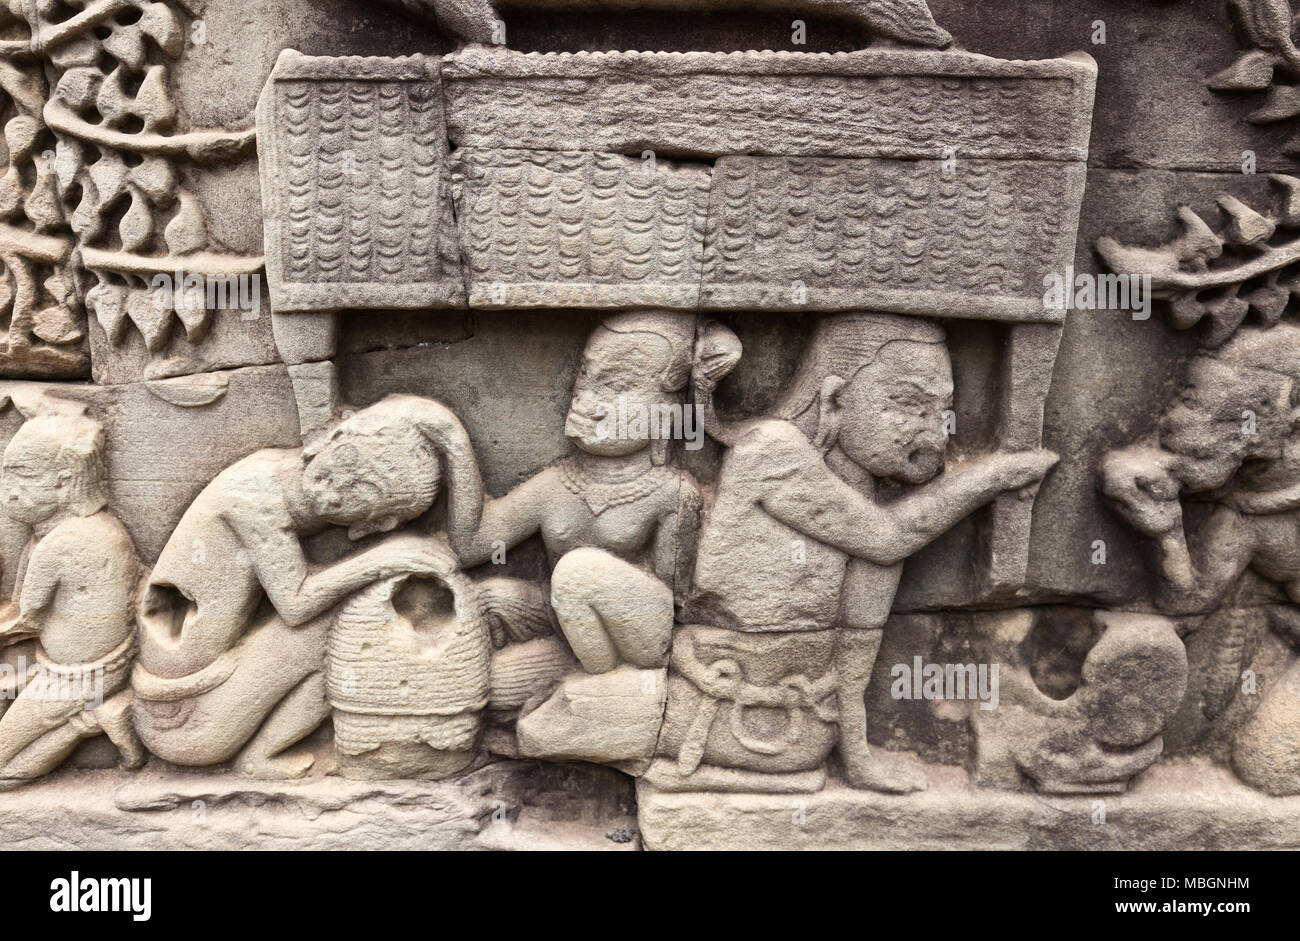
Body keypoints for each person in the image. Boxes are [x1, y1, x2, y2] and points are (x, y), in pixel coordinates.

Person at [681, 313, 1056, 792]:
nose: (932, 432)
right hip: (719, 698)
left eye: (941, 411)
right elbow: (888, 536)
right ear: (836, 398)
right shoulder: (770, 451)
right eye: (907, 404)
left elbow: (855, 654)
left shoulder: (865, 506)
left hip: (799, 722)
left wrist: (858, 759)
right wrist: (994, 477)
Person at [132, 395, 481, 778]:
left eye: (363, 490)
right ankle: (260, 757)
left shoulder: (270, 473)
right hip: (185, 719)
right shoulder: (254, 494)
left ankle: (261, 754)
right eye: (350, 459)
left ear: (369, 526)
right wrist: (386, 558)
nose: (336, 484)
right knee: (342, 619)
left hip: (196, 710)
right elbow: (296, 604)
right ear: (330, 439)